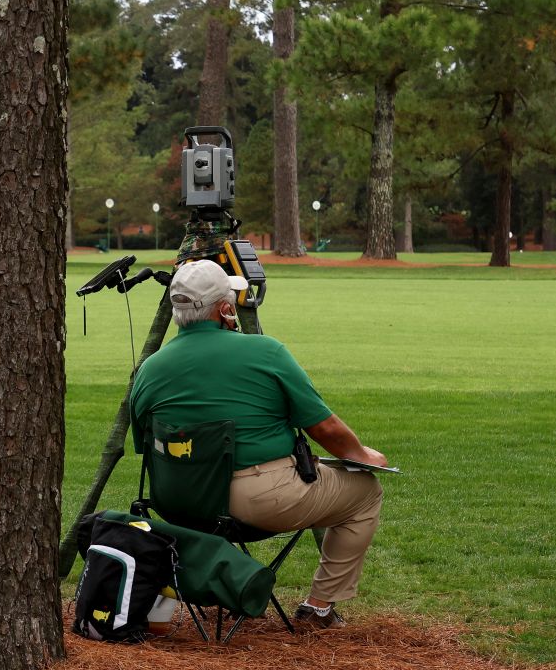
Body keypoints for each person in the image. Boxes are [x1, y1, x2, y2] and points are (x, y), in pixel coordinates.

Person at [126, 260, 389, 629]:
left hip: (178, 502)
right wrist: (362, 456)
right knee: (365, 491)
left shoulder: (150, 368)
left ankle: (229, 587)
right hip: (260, 500)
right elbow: (324, 427)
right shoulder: (266, 353)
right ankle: (318, 607)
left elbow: (146, 444)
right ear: (224, 308)